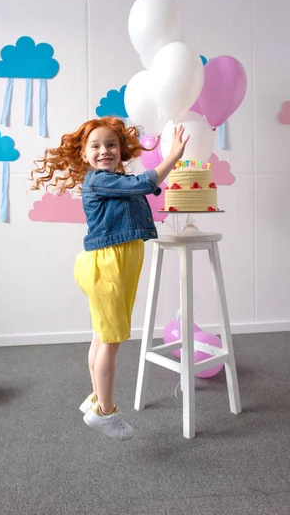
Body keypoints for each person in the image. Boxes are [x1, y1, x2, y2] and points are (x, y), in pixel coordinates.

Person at [30, 116, 189, 441]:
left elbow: (136, 188)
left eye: (111, 144)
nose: (105, 150)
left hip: (114, 264)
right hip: (108, 266)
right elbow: (144, 184)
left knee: (102, 337)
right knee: (112, 340)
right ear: (84, 154)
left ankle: (95, 398)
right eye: (96, 146)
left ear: (122, 149)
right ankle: (105, 412)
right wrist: (173, 155)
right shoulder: (99, 180)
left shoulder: (113, 179)